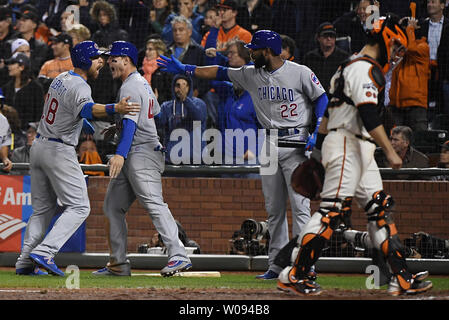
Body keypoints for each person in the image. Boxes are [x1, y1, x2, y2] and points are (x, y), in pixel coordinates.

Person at [276, 14, 433, 296]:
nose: (397, 52)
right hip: (348, 142)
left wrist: (318, 153)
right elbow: (368, 114)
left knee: (379, 210)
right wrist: (390, 152)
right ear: (387, 39)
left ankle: (402, 277)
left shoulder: (348, 65)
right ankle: (295, 274)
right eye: (396, 44)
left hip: (354, 144)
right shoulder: (362, 68)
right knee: (331, 213)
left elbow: (326, 119)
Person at [157, 29, 329, 280]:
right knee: (274, 210)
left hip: (297, 143)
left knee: (301, 208)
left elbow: (322, 97)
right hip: (269, 142)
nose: (250, 52)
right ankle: (276, 265)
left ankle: (305, 264)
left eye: (254, 49)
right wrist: (186, 68)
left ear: (268, 51)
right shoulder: (251, 73)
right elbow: (217, 71)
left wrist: (317, 129)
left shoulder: (300, 71)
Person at [14, 40, 141, 276]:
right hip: (58, 150)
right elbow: (88, 109)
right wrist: (116, 109)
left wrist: (79, 121)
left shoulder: (61, 77)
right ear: (84, 61)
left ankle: (24, 260)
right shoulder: (81, 87)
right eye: (96, 58)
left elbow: (63, 107)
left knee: (42, 209)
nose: (101, 61)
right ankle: (45, 252)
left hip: (40, 146)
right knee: (80, 207)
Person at [92, 41, 192, 277]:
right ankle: (118, 264)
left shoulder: (130, 86)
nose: (109, 62)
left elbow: (131, 123)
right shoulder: (140, 84)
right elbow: (153, 113)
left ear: (126, 60)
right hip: (139, 149)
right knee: (112, 207)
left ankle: (179, 254)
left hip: (141, 153)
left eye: (113, 58)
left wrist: (120, 153)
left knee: (155, 204)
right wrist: (118, 128)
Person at [387, 17, 430, 132]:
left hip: (415, 106)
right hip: (396, 106)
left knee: (420, 143)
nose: (404, 30)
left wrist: (410, 30)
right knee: (394, 142)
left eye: (406, 28)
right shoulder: (397, 50)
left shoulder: (423, 47)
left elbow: (411, 49)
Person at [156, 74, 207, 164]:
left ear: (189, 87)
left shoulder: (199, 103)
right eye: (178, 85)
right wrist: (154, 106)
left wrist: (185, 99)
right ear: (173, 88)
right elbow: (158, 124)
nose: (181, 88)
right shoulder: (166, 106)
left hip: (195, 160)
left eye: (184, 85)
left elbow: (198, 117)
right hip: (172, 159)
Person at [166, 15, 210, 98]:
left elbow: (207, 76)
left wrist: (197, 92)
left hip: (193, 96)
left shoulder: (200, 52)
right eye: (175, 30)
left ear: (189, 32)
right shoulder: (166, 51)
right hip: (169, 95)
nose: (177, 33)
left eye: (181, 30)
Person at [303, 22, 350, 93]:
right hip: (314, 97)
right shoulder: (309, 57)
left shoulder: (345, 58)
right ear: (318, 38)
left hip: (336, 97)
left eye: (332, 36)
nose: (329, 38)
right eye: (325, 36)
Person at [2, 53, 45, 129]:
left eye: (12, 64)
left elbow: (40, 114)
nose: (9, 67)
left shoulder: (36, 88)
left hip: (28, 133)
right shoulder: (6, 88)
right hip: (7, 132)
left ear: (22, 67)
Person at [15, 8, 50, 77]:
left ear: (34, 25)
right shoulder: (11, 42)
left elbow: (37, 68)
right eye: (20, 20)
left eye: (24, 20)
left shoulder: (41, 47)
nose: (20, 22)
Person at [141, 37, 172, 104]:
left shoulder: (165, 70)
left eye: (150, 49)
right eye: (147, 49)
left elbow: (169, 92)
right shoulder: (141, 70)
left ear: (158, 51)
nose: (147, 52)